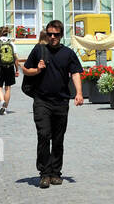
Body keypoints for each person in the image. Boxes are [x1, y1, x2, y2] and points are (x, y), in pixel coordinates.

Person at [21, 20, 83, 188]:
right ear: (46, 34)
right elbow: (25, 70)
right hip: (42, 101)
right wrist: (38, 69)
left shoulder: (68, 53)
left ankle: (56, 173)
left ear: (61, 35)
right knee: (43, 135)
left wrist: (79, 93)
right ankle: (44, 173)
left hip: (61, 101)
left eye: (56, 34)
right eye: (50, 34)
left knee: (58, 138)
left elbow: (76, 73)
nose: (53, 37)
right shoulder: (39, 50)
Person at [0, 25, 17, 114]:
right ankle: (4, 109)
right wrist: (16, 69)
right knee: (8, 88)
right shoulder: (11, 43)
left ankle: (2, 101)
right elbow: (15, 57)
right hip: (10, 66)